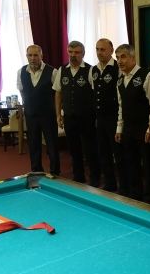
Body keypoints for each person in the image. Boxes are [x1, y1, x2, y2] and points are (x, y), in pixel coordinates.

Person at [54, 40, 101, 187]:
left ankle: (94, 177)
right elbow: (58, 93)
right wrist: (58, 114)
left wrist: (96, 115)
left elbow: (96, 94)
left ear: (83, 54)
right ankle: (78, 176)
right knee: (74, 149)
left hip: (87, 117)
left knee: (90, 149)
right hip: (69, 116)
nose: (73, 55)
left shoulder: (90, 70)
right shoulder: (62, 70)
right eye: (70, 52)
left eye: (76, 52)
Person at [114, 44, 150, 204]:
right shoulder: (120, 80)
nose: (120, 61)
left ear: (133, 58)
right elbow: (121, 106)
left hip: (143, 127)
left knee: (148, 165)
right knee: (131, 163)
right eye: (118, 58)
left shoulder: (146, 76)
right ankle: (136, 195)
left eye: (123, 57)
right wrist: (119, 128)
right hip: (128, 128)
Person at [91, 38, 128, 194]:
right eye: (97, 49)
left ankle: (124, 185)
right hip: (100, 118)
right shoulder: (93, 69)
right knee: (103, 152)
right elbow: (94, 92)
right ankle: (110, 182)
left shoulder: (117, 68)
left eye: (103, 49)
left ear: (111, 51)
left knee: (118, 153)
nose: (99, 52)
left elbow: (122, 93)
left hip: (114, 117)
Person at [17, 45, 60, 175]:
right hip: (31, 114)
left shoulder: (52, 71)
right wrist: (28, 105)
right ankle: (36, 170)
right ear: (26, 56)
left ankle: (55, 171)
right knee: (33, 143)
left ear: (41, 56)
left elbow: (58, 93)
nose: (33, 58)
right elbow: (22, 91)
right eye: (30, 55)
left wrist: (57, 112)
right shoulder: (21, 72)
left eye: (36, 55)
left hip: (48, 114)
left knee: (52, 144)